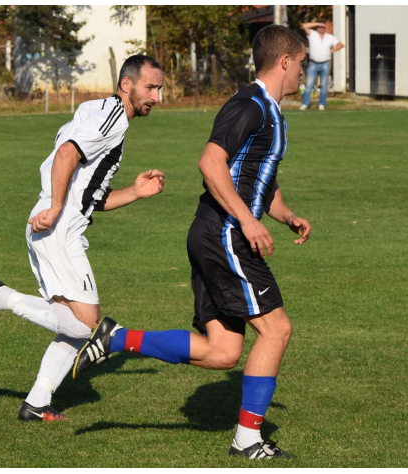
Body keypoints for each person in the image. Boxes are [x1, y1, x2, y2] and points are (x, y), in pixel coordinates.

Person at [72, 25, 312, 460]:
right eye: (301, 63)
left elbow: (259, 181)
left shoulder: (272, 113)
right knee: (276, 330)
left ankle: (116, 338)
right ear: (284, 61)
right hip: (224, 234)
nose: (304, 72)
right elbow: (210, 163)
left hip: (215, 232)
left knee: (222, 353)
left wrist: (285, 215)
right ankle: (248, 440)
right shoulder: (250, 105)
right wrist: (248, 222)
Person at [0, 55, 167, 422]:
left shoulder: (98, 111)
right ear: (126, 85)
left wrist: (134, 192)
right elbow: (67, 154)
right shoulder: (113, 118)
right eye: (151, 87)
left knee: (72, 325)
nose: (157, 96)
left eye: (160, 88)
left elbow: (90, 196)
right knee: (89, 327)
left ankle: (37, 403)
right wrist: (56, 207)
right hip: (58, 226)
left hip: (58, 221)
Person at [299, 21, 344, 111]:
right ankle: (305, 104)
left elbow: (341, 45)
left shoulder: (330, 37)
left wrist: (332, 51)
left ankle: (322, 104)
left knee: (324, 85)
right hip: (313, 63)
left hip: (325, 63)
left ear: (325, 28)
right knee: (309, 84)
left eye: (322, 27)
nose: (321, 28)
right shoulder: (313, 34)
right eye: (319, 27)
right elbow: (304, 26)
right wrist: (317, 23)